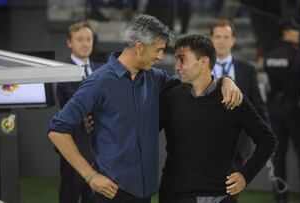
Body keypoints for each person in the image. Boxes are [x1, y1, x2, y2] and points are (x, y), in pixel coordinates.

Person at [48, 14, 242, 203]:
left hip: (145, 193)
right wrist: (90, 176)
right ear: (139, 48)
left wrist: (226, 80)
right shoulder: (98, 82)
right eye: (157, 50)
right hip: (111, 193)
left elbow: (196, 80)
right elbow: (57, 130)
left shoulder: (155, 77)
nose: (160, 57)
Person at [158, 34, 278, 203]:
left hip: (219, 195)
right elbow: (143, 133)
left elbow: (268, 140)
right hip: (174, 195)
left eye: (182, 59)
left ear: (203, 62)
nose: (177, 66)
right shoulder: (169, 96)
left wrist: (245, 175)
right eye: (176, 59)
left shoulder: (232, 98)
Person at [264, 19, 300, 203]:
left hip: (274, 108)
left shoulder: (270, 54)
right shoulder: (296, 54)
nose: (298, 34)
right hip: (294, 108)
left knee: (278, 156)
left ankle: (280, 198)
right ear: (286, 33)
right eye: (295, 30)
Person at [210, 19, 270, 167]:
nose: (222, 41)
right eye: (218, 37)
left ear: (233, 40)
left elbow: (258, 106)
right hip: (207, 144)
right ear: (211, 39)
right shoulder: (201, 68)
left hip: (240, 147)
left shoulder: (247, 70)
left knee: (232, 190)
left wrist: (267, 139)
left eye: (226, 37)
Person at [56, 21, 102, 203]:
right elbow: (75, 102)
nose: (85, 43)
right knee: (70, 194)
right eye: (80, 39)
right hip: (73, 145)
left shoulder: (101, 69)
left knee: (94, 196)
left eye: (89, 39)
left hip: (99, 148)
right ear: (69, 42)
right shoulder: (63, 71)